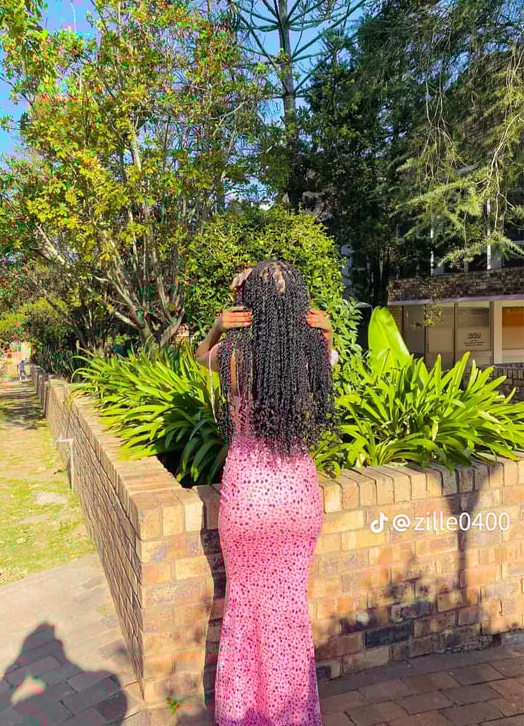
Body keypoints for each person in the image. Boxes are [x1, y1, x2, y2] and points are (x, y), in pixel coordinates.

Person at [194, 260, 338, 726]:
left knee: (246, 604)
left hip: (248, 499)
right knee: (289, 606)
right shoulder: (309, 354)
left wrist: (219, 325)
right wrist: (328, 335)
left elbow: (198, 356)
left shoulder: (232, 356)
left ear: (250, 304)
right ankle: (292, 714)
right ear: (297, 303)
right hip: (297, 498)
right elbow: (329, 368)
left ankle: (243, 713)